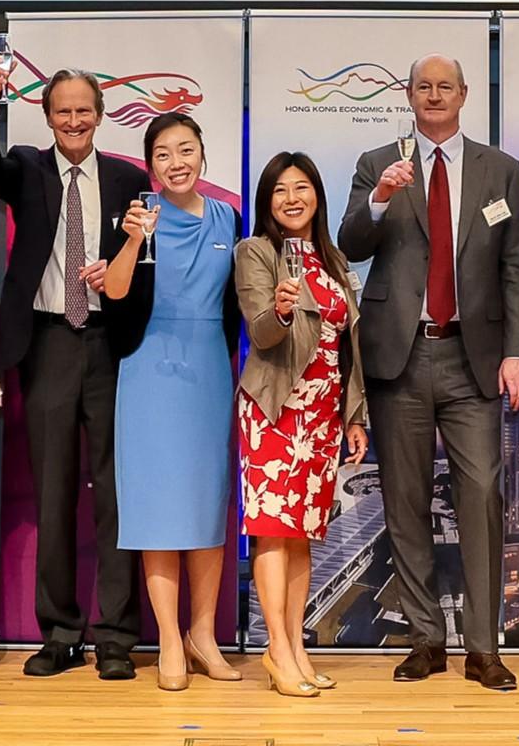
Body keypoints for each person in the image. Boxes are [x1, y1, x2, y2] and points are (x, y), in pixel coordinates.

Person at [337, 54, 519, 691]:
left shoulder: (500, 169)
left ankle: (483, 646)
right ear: (409, 94)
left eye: (445, 86)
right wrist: (380, 198)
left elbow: (517, 269)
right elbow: (349, 242)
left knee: (480, 498)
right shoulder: (378, 163)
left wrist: (518, 350)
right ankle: (426, 638)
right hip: (399, 353)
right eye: (423, 86)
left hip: (472, 356)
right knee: (405, 501)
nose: (434, 95)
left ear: (464, 94)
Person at [0, 60, 150, 679]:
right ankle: (61, 631)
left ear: (100, 115)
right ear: (47, 117)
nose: (74, 120)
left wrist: (119, 277)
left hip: (111, 347)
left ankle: (117, 639)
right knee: (54, 493)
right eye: (62, 111)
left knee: (114, 496)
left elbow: (142, 263)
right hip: (45, 344)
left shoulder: (128, 179)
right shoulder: (27, 167)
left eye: (84, 110)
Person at [100, 112, 242, 690]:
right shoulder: (135, 218)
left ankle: (202, 635)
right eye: (163, 153)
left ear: (203, 154)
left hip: (208, 370)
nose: (176, 162)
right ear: (149, 164)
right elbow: (113, 290)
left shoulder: (227, 218)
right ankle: (167, 643)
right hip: (148, 372)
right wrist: (134, 238)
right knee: (158, 513)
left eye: (186, 149)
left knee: (207, 509)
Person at [236, 152, 369, 698]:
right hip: (274, 411)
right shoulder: (256, 253)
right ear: (268, 202)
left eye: (302, 188)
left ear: (317, 193)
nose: (292, 199)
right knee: (273, 532)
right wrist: (284, 310)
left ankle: (296, 646)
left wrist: (354, 416)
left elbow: (346, 347)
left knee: (303, 538)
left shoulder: (333, 259)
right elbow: (262, 332)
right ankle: (276, 649)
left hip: (322, 414)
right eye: (280, 191)